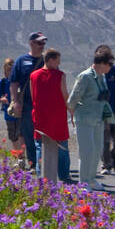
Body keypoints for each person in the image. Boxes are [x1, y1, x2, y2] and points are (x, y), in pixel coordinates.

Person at [9, 31, 69, 180]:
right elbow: (14, 82)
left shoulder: (47, 60)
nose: (42, 45)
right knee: (30, 135)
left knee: (47, 137)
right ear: (31, 43)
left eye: (44, 43)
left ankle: (46, 168)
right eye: (39, 43)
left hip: (47, 106)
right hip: (28, 104)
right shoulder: (22, 61)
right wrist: (15, 100)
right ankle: (34, 165)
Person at [69, 49, 115, 189]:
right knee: (87, 151)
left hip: (98, 119)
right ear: (101, 63)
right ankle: (83, 181)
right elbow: (73, 99)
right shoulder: (85, 77)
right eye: (109, 63)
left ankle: (91, 179)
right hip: (84, 118)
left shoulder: (102, 77)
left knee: (97, 150)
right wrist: (74, 114)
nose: (111, 66)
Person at [29, 49, 69, 183]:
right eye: (58, 60)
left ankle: (42, 177)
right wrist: (72, 111)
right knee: (62, 146)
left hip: (40, 116)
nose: (59, 63)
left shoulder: (33, 75)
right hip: (57, 117)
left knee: (40, 146)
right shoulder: (60, 75)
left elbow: (32, 95)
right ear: (51, 60)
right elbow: (65, 96)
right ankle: (64, 176)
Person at [0, 57, 25, 166]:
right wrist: (1, 100)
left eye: (12, 69)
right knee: (13, 137)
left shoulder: (20, 82)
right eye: (8, 70)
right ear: (5, 70)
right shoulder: (2, 83)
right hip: (9, 114)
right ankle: (19, 156)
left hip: (21, 113)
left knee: (22, 135)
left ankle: (22, 157)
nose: (10, 72)